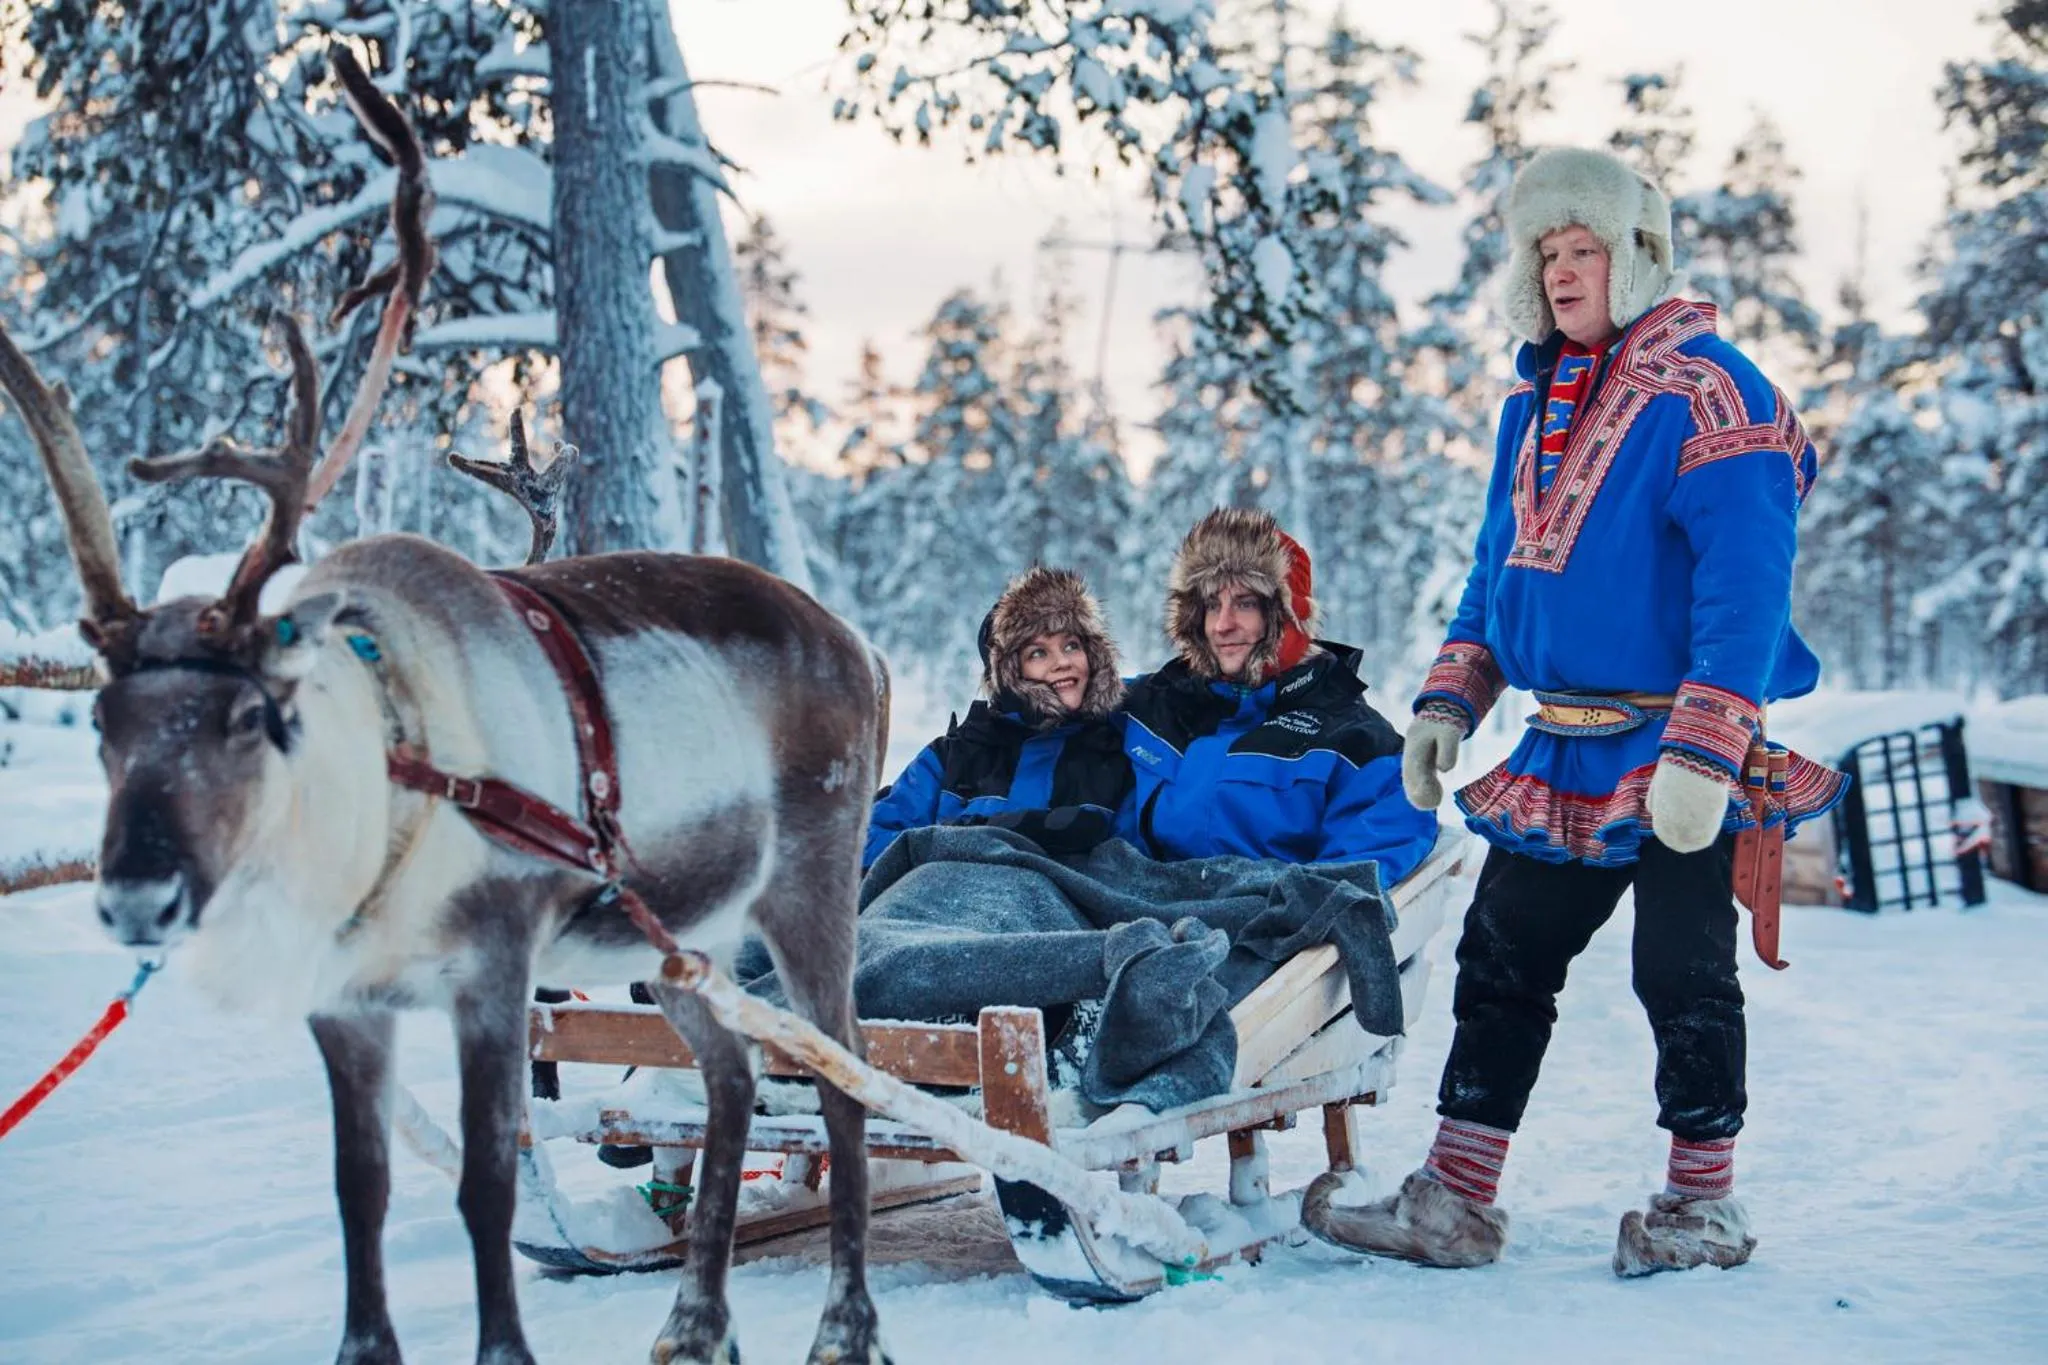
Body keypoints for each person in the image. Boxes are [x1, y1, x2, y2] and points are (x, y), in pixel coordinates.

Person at [1299, 146, 1846, 1277]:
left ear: (1635, 255)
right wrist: (1450, 698)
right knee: (1499, 957)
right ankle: (1452, 1198)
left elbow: (1743, 588)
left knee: (1679, 972)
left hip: (1682, 747)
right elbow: (1496, 567)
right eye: (1545, 250)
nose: (1559, 270)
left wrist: (1704, 747)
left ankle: (1701, 1207)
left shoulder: (1715, 391)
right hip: (1563, 745)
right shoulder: (1535, 396)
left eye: (1582, 248)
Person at [1115, 507, 1437, 882]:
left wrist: (1279, 917)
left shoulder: (1356, 742)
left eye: (1245, 603)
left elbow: (1365, 859)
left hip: (1256, 927)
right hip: (1126, 912)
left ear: (1288, 615)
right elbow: (1047, 713)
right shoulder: (1146, 705)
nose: (1222, 625)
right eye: (1211, 605)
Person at [862, 565, 1132, 872]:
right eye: (1038, 653)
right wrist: (966, 840)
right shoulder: (954, 756)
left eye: (1072, 645)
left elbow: (1132, 867)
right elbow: (866, 844)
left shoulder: (1117, 752)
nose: (1062, 662)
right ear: (1008, 672)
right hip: (940, 910)